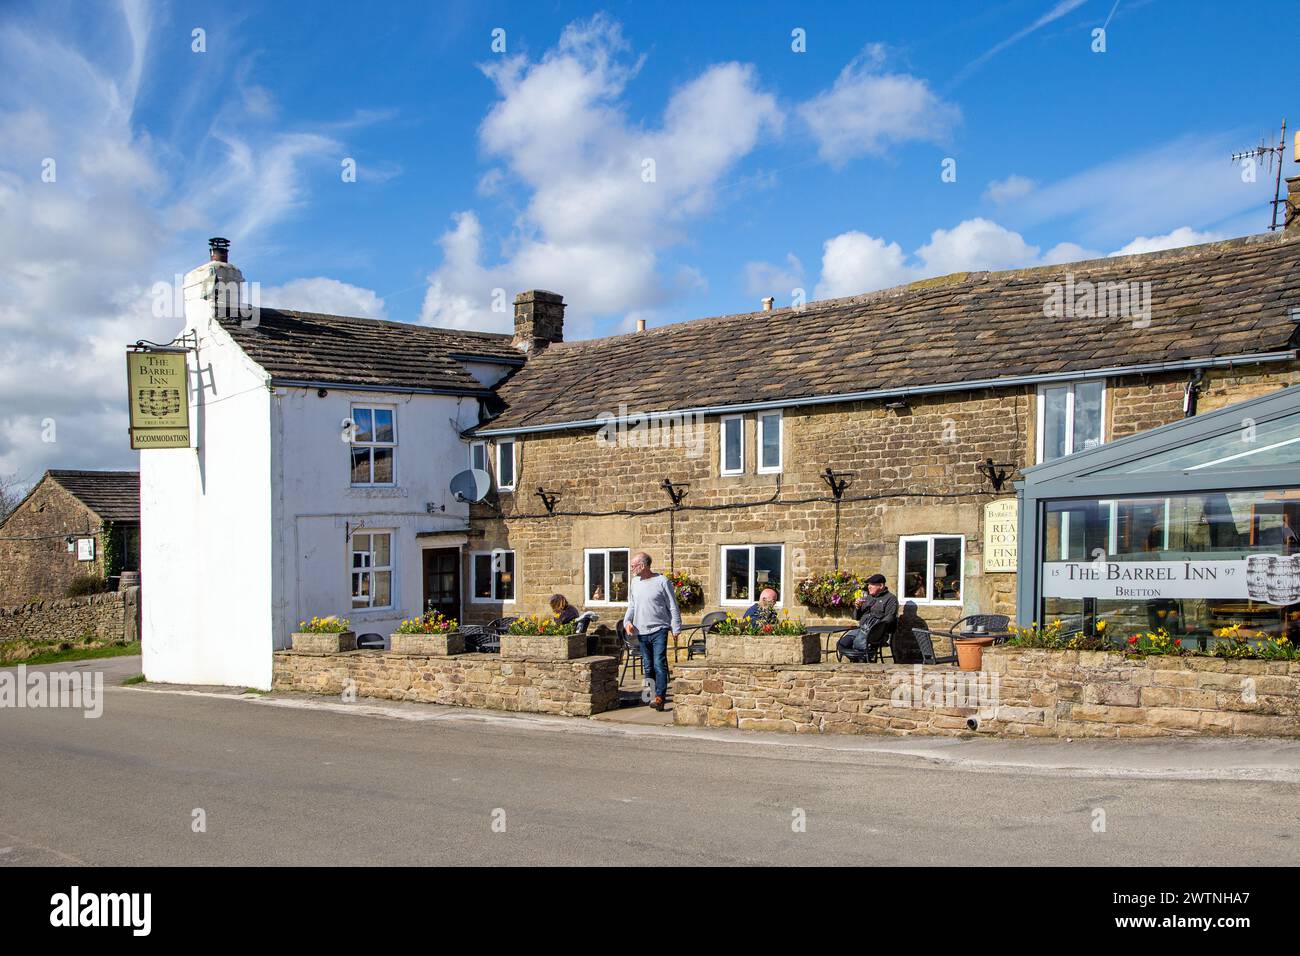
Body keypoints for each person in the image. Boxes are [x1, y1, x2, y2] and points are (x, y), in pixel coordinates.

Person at [622, 551, 682, 711]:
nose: (632, 568)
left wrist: (676, 627)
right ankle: (650, 694)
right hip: (641, 631)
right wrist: (627, 621)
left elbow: (672, 605)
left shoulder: (662, 581)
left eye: (633, 566)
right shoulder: (635, 582)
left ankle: (659, 697)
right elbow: (632, 605)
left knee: (658, 663)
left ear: (643, 565)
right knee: (648, 666)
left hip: (659, 629)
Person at [838, 573, 898, 658]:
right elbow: (857, 617)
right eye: (869, 584)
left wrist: (874, 629)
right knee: (842, 644)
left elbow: (889, 618)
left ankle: (864, 659)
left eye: (872, 584)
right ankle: (857, 660)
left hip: (876, 634)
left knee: (859, 645)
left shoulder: (890, 599)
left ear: (881, 586)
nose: (869, 586)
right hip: (861, 629)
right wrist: (857, 607)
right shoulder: (868, 598)